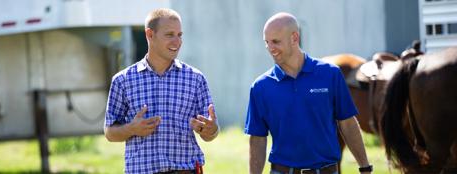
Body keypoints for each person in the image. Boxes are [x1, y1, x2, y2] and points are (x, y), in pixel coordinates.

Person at [245, 12, 372, 174]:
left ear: (294, 38)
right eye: (267, 42)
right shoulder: (260, 87)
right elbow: (257, 139)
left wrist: (365, 167)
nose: (270, 49)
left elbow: (347, 123)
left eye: (276, 42)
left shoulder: (330, 74)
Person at [104, 8, 219, 174]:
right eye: (170, 34)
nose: (177, 41)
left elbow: (210, 133)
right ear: (150, 35)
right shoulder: (122, 81)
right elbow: (109, 132)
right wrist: (131, 129)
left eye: (180, 35)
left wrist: (211, 129)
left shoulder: (196, 79)